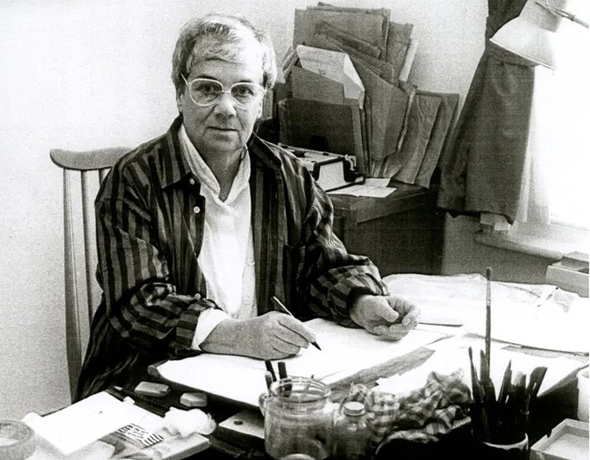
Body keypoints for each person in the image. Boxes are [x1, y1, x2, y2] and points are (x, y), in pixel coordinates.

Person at [76, 14, 419, 401]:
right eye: (208, 89)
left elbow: (323, 267)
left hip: (252, 384)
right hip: (143, 385)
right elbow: (139, 302)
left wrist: (362, 302)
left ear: (261, 102)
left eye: (243, 92)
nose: (226, 107)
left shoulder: (288, 175)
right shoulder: (134, 179)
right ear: (180, 93)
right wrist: (238, 335)